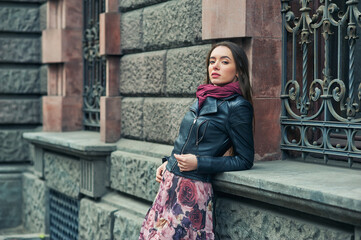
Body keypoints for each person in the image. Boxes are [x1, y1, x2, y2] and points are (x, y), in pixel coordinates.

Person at [139, 41, 254, 240]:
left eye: (224, 62)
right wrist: (169, 161)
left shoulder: (238, 107)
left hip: (192, 190)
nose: (215, 66)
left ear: (238, 72)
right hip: (170, 184)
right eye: (212, 61)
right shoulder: (203, 96)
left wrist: (199, 163)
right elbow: (188, 140)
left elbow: (245, 160)